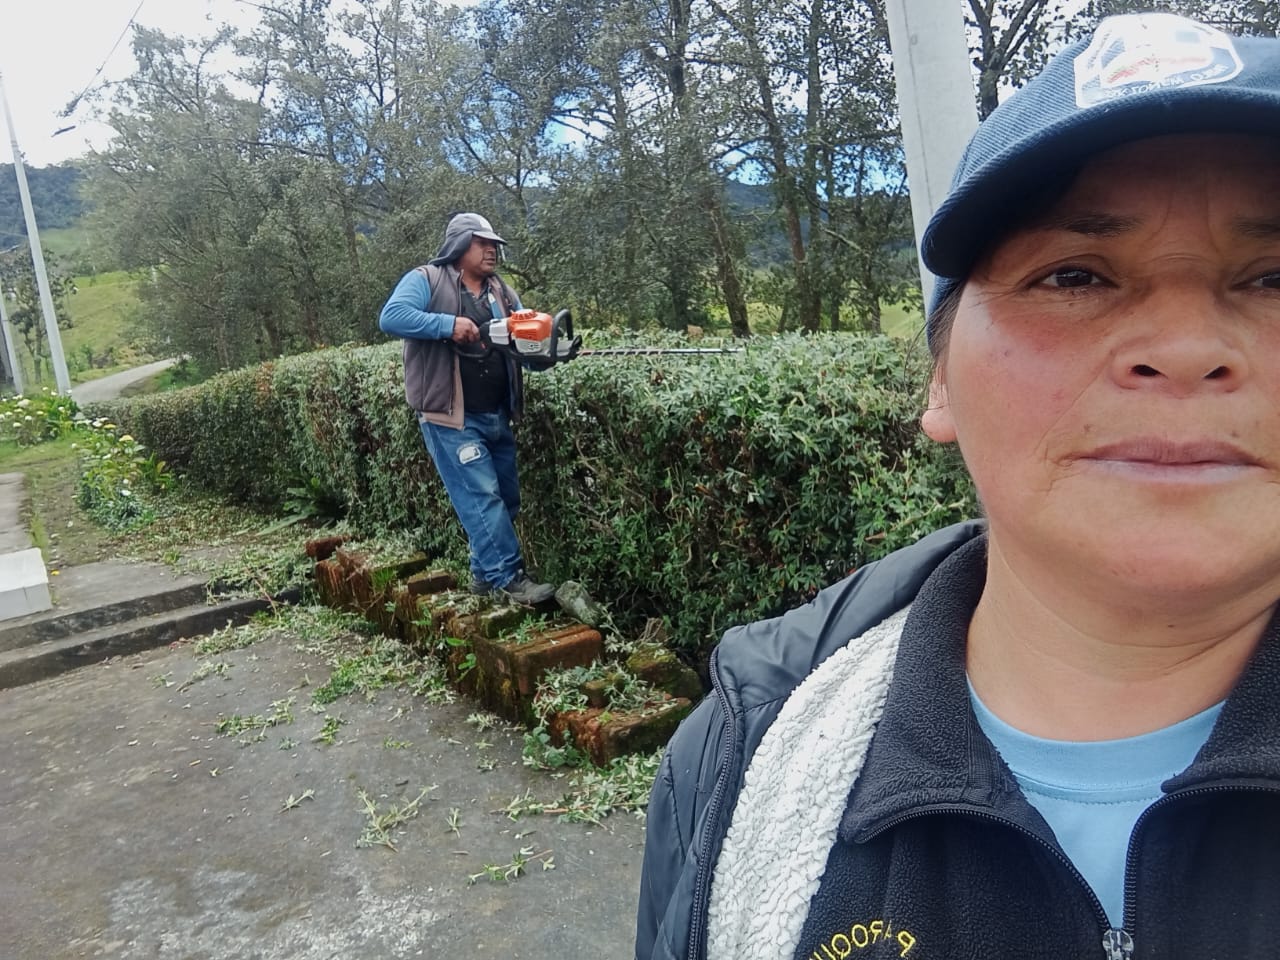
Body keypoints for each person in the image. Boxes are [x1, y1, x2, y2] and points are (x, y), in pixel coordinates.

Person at [636, 13, 1280, 960]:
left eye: (1274, 279)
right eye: (1074, 276)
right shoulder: (738, 758)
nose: (1186, 348)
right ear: (940, 381)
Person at [379, 212, 556, 605]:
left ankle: (483, 576)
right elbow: (391, 317)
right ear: (459, 245)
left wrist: (546, 353)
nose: (492, 250)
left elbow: (521, 343)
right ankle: (510, 580)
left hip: (498, 413)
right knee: (483, 497)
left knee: (505, 498)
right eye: (482, 243)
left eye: (494, 244)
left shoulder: (502, 292)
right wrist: (448, 325)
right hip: (450, 417)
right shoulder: (426, 279)